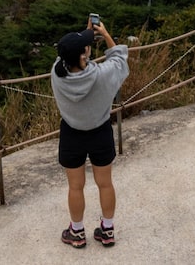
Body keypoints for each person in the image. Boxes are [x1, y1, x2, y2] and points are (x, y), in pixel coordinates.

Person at [50, 16, 129, 249]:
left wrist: (81, 42)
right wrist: (104, 35)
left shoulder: (57, 75)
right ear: (84, 54)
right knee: (105, 183)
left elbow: (66, 57)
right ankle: (107, 230)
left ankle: (76, 232)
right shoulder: (102, 75)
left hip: (72, 132)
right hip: (100, 131)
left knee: (76, 186)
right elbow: (119, 61)